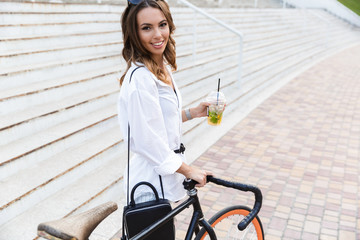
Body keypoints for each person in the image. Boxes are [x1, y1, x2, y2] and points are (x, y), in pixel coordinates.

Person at [118, 0, 213, 203]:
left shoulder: (160, 70)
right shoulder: (141, 78)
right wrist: (188, 170)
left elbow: (158, 120)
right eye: (146, 28)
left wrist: (194, 112)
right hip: (149, 186)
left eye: (162, 24)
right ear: (134, 34)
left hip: (163, 179)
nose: (158, 34)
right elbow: (147, 140)